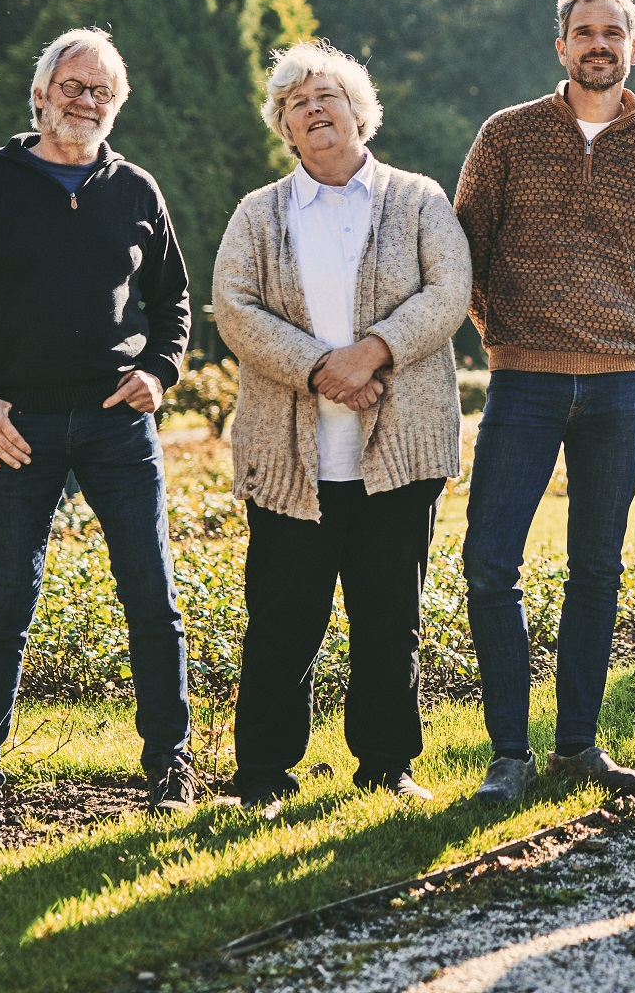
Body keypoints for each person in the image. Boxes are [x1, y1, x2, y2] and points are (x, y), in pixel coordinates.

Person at [0, 27, 194, 846]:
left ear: (117, 106)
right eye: (74, 85)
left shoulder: (135, 189)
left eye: (103, 91)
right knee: (6, 601)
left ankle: (171, 766)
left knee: (152, 597)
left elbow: (174, 301)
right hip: (16, 429)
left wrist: (163, 371)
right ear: (41, 93)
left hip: (118, 424)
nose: (86, 101)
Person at [454, 0, 635, 804]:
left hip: (619, 386)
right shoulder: (508, 136)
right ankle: (508, 752)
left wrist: (628, 341)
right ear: (561, 47)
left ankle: (576, 746)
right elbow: (465, 252)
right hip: (522, 380)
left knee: (597, 568)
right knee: (490, 560)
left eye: (613, 32)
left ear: (634, 48)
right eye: (583, 31)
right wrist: (502, 336)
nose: (598, 44)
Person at [212, 40, 471, 814]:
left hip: (398, 453)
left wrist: (373, 352)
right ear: (285, 128)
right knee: (283, 622)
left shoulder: (419, 199)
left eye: (328, 96)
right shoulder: (260, 213)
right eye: (297, 103)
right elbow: (234, 305)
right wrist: (321, 367)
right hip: (291, 458)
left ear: (361, 113)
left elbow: (449, 290)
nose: (314, 109)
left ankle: (386, 765)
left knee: (389, 619)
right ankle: (262, 773)